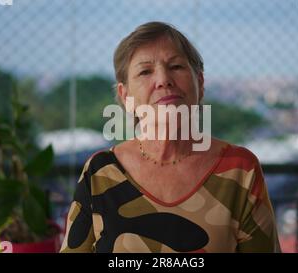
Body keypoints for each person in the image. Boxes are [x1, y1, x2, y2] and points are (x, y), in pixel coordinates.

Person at [60, 21, 280, 253]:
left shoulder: (241, 169)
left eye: (176, 66)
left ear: (200, 83)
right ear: (126, 97)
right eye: (145, 71)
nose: (164, 79)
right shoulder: (100, 171)